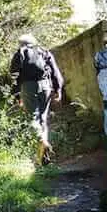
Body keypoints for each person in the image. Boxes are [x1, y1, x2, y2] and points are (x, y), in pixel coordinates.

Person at [9, 34, 64, 165]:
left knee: (32, 118)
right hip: (46, 85)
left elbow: (14, 76)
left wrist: (17, 96)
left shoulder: (19, 54)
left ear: (21, 43)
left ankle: (42, 141)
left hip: (28, 87)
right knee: (43, 119)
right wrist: (58, 89)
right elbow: (55, 72)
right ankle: (44, 159)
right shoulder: (44, 52)